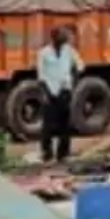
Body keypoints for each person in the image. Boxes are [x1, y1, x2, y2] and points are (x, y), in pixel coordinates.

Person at [37, 27, 83, 162]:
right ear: (54, 38)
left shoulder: (69, 51)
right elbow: (41, 76)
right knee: (48, 126)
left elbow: (79, 66)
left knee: (65, 125)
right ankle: (47, 153)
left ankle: (63, 154)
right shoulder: (43, 53)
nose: (65, 40)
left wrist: (73, 85)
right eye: (62, 37)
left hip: (65, 91)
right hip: (49, 91)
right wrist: (45, 94)